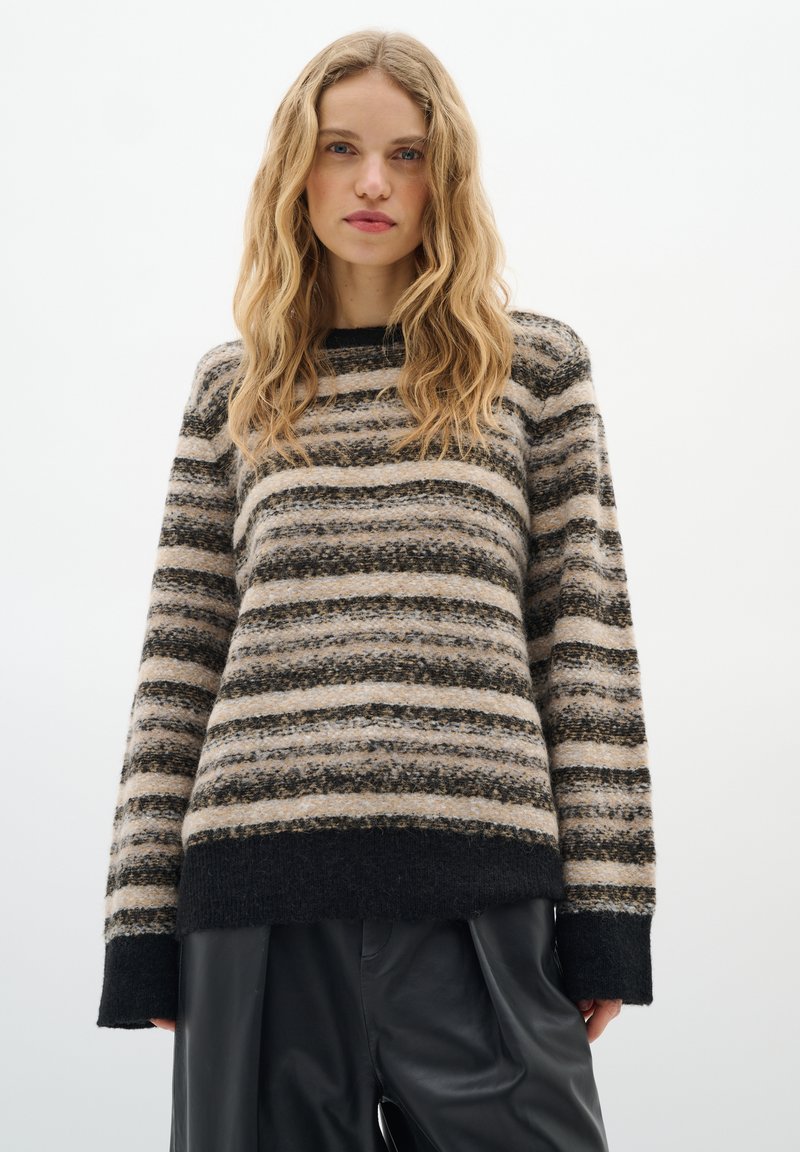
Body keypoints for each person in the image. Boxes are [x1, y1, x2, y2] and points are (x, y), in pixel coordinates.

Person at [97, 27, 656, 1152]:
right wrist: (140, 923)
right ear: (294, 170)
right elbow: (180, 662)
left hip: (478, 895)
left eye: (406, 155)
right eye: (340, 148)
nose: (370, 183)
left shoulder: (533, 370)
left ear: (445, 177)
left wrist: (607, 914)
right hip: (255, 897)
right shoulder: (234, 391)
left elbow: (584, 648)